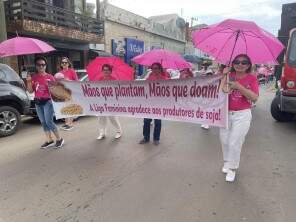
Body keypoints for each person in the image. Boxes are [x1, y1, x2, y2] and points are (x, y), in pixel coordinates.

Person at [220, 54, 259, 182]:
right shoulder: (229, 76)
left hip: (242, 114)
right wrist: (224, 76)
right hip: (226, 113)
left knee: (235, 142)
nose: (240, 64)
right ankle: (227, 161)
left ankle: (232, 168)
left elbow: (254, 97)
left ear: (248, 65)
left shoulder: (252, 78)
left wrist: (239, 86)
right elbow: (221, 91)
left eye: (244, 62)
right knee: (224, 140)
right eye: (237, 62)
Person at [26, 56, 65, 149]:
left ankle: (59, 139)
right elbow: (30, 91)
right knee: (43, 122)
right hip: (38, 102)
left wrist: (51, 86)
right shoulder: (33, 77)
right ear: (36, 66)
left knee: (49, 121)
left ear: (46, 66)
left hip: (48, 102)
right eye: (39, 65)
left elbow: (56, 91)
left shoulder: (50, 77)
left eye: (43, 65)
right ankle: (49, 140)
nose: (41, 67)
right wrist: (28, 82)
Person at [139, 63, 169, 145]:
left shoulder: (165, 79)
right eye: (153, 68)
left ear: (160, 69)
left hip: (159, 104)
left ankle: (156, 139)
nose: (154, 70)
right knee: (146, 121)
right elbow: (143, 88)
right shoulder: (149, 78)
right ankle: (146, 138)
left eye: (156, 68)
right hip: (149, 103)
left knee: (158, 122)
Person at [96, 64, 122, 140]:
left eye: (107, 70)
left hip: (111, 101)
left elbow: (117, 90)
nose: (105, 71)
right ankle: (102, 133)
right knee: (101, 118)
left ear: (110, 71)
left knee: (112, 117)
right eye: (104, 70)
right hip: (101, 101)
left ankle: (119, 131)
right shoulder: (100, 79)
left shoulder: (114, 79)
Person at [58, 57, 78, 131]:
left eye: (65, 62)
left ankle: (70, 124)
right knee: (65, 108)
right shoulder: (60, 73)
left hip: (70, 93)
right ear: (61, 64)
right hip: (62, 93)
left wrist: (68, 80)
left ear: (68, 63)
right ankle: (66, 123)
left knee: (70, 108)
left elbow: (76, 82)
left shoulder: (72, 71)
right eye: (62, 62)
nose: (64, 64)